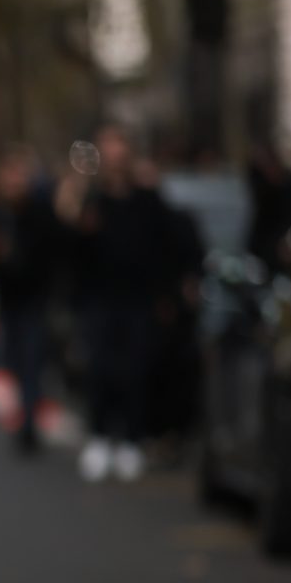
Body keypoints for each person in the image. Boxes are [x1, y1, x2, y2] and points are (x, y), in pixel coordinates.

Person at [55, 123, 168, 482]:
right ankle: (101, 437)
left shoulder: (147, 199)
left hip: (137, 300)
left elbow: (162, 248)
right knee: (100, 370)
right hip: (98, 300)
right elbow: (70, 250)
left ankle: (132, 440)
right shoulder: (90, 201)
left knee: (134, 371)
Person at [0, 147, 58, 454]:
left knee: (32, 357)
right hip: (7, 300)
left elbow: (52, 252)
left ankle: (29, 421)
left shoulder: (40, 212)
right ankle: (23, 410)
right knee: (13, 357)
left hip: (35, 298)